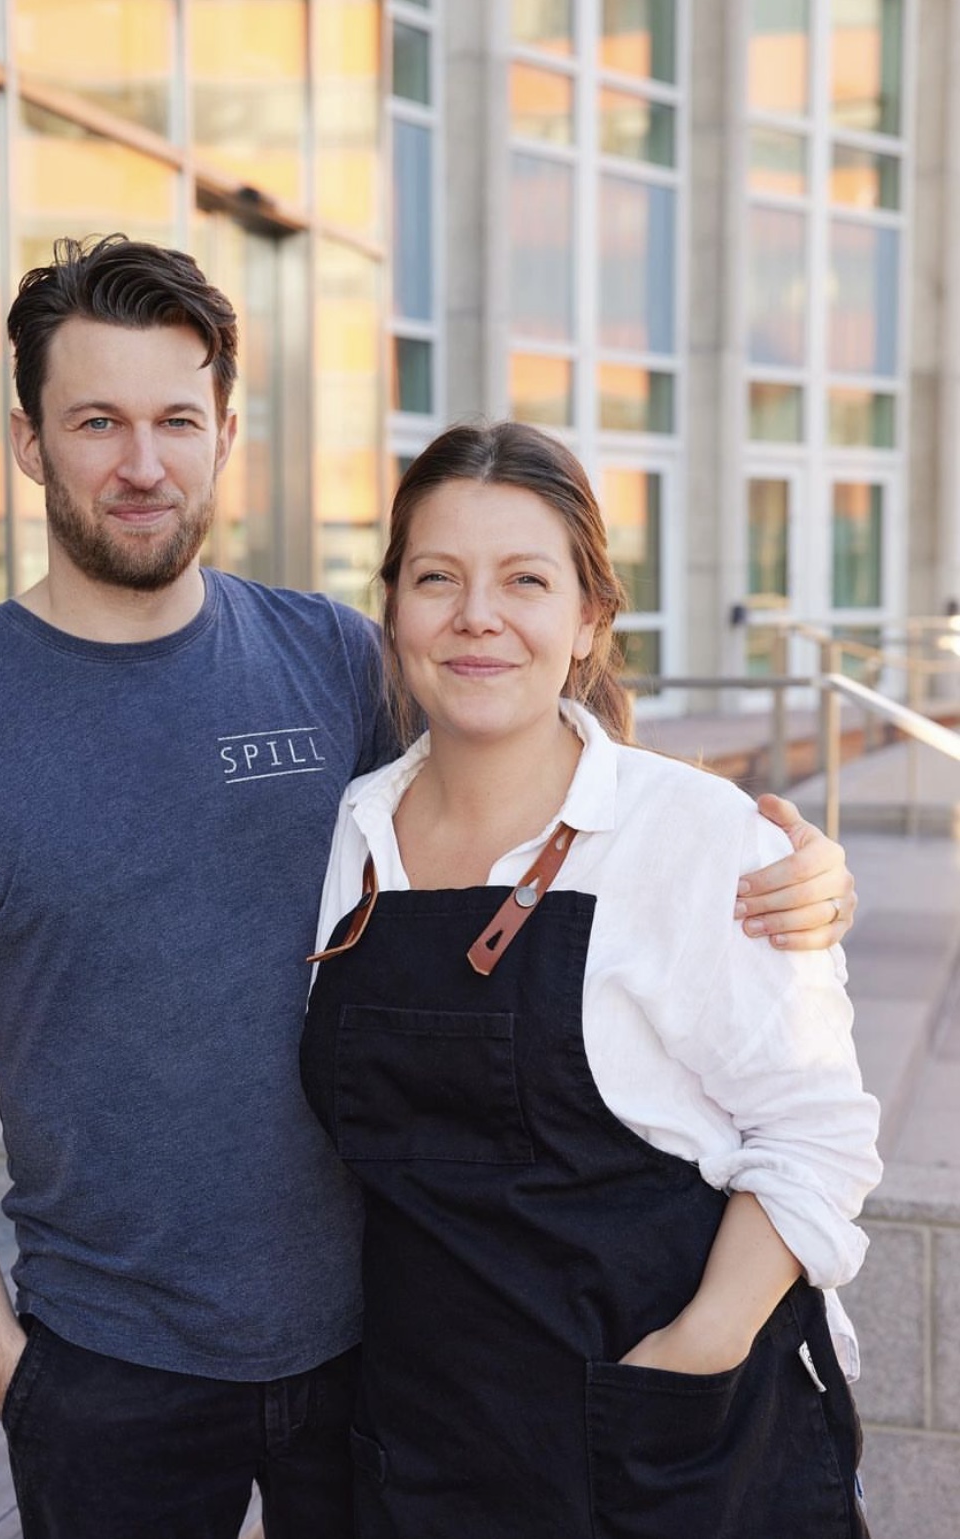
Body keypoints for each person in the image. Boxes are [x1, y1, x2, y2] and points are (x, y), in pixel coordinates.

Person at [0, 237, 858, 1539]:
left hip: (380, 1344)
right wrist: (1, 1355)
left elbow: (525, 760)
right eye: (96, 421)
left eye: (174, 419)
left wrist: (778, 876)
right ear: (30, 441)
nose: (141, 462)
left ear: (224, 433)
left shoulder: (327, 658)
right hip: (104, 1360)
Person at [300, 420, 881, 1538]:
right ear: (395, 611)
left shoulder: (705, 838)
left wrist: (692, 1357)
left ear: (587, 621)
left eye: (525, 578)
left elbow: (817, 1132)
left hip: (674, 1454)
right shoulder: (358, 829)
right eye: (438, 579)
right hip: (429, 1447)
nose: (478, 615)